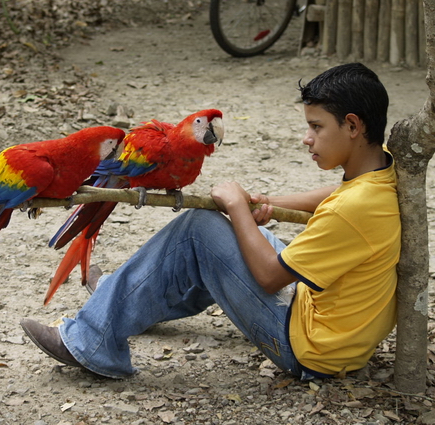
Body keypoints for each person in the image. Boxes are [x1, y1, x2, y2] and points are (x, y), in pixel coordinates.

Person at [20, 62, 401, 380]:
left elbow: (270, 276)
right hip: (334, 326)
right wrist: (267, 201)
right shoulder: (382, 168)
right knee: (221, 234)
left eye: (316, 127)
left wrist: (237, 210)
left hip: (309, 349)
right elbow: (335, 195)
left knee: (200, 231)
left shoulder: (350, 211)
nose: (306, 138)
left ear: (352, 125)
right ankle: (120, 296)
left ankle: (92, 340)